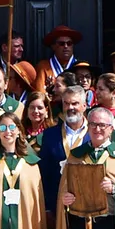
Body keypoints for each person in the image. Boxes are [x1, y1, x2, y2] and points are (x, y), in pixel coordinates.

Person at [37, 84, 91, 216]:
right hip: (57, 204)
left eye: (75, 103)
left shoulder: (94, 134)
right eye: (66, 104)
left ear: (84, 106)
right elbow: (44, 173)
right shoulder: (50, 135)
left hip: (88, 205)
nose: (70, 108)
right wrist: (48, 207)